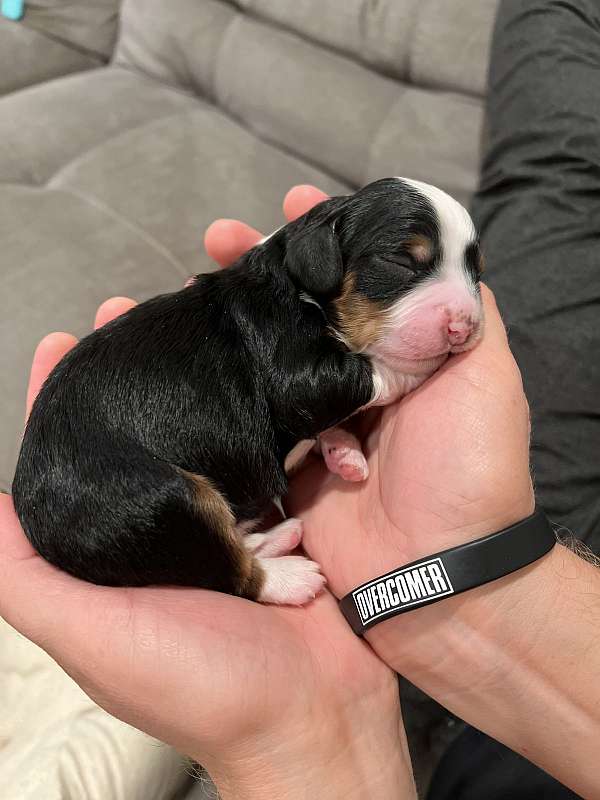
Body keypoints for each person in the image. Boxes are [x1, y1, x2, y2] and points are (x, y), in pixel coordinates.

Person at [0, 180, 598, 800]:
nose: (462, 314)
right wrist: (386, 377)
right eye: (405, 267)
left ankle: (226, 543)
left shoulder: (283, 303)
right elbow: (306, 388)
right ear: (320, 259)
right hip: (106, 485)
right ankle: (243, 572)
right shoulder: (277, 315)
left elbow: (292, 401)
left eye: (468, 273)